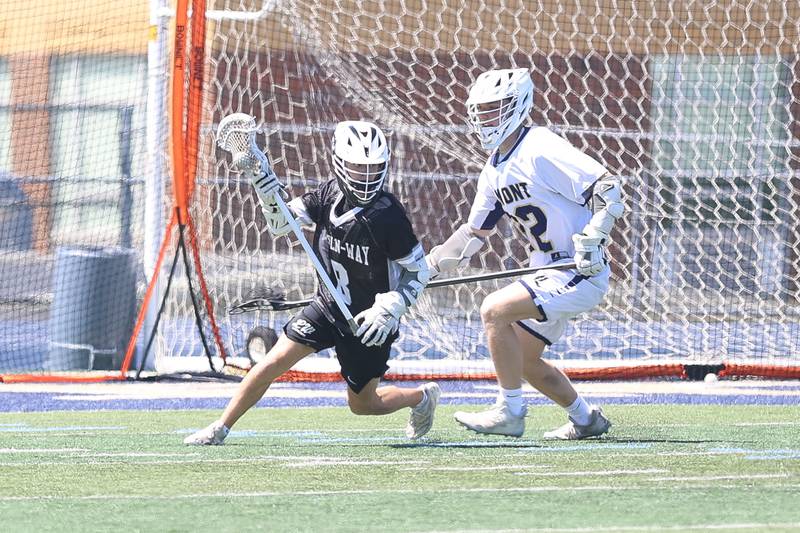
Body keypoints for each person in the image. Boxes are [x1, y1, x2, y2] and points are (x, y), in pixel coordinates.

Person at [185, 120, 439, 445]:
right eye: (357, 168)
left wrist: (391, 306)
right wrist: (263, 183)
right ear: (339, 163)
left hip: (369, 322)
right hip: (328, 307)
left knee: (363, 405)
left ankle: (421, 397)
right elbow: (280, 225)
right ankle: (220, 428)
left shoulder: (388, 217)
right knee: (272, 362)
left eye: (373, 168)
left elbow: (418, 272)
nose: (365, 176)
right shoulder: (327, 195)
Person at [426, 68, 623, 439]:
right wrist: (426, 268)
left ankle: (510, 412)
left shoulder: (539, 147)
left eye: (495, 109)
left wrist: (595, 239)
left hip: (576, 270)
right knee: (525, 358)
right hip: (546, 273)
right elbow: (473, 235)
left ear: (518, 105)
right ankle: (586, 419)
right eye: (481, 112)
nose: (487, 119)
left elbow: (609, 188)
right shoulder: (493, 171)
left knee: (494, 310)